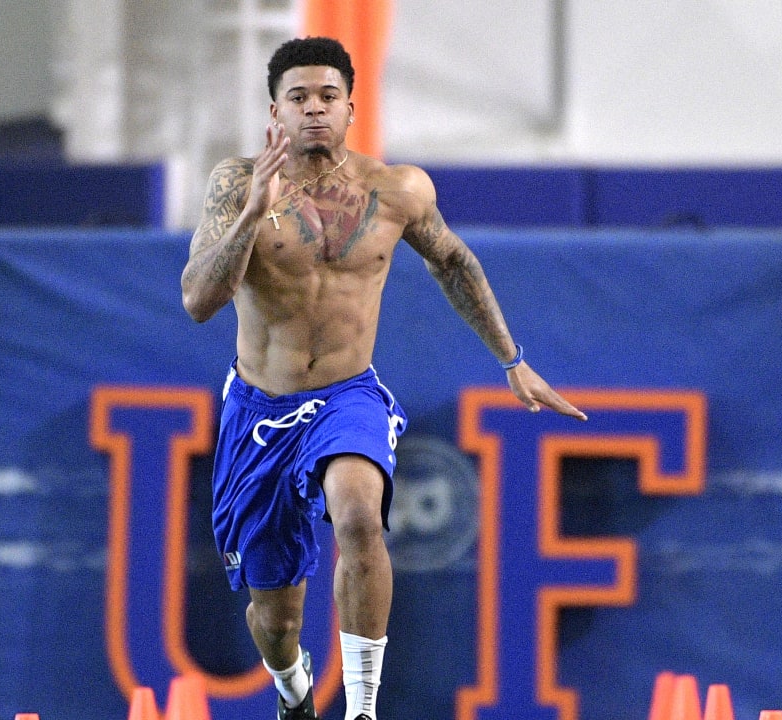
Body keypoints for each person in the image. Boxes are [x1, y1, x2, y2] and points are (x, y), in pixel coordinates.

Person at [180, 36, 586, 720]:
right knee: (274, 619)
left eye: (327, 97)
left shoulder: (397, 189)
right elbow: (197, 300)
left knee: (362, 518)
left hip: (346, 394)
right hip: (260, 407)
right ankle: (292, 687)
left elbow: (454, 264)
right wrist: (251, 215)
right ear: (274, 111)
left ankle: (363, 707)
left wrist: (513, 361)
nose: (314, 110)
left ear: (351, 107)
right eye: (299, 97)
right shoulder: (234, 183)